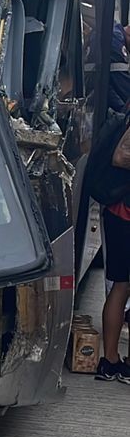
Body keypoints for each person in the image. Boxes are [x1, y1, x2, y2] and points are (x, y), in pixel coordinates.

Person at [97, 117, 130, 382]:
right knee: (121, 286)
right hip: (124, 214)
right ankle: (114, 360)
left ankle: (110, 362)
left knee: (121, 286)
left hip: (120, 215)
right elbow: (120, 157)